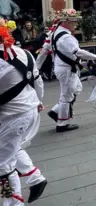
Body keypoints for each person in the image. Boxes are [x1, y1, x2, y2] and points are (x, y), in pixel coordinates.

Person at [0, 24, 49, 205]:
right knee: (11, 148)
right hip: (30, 110)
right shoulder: (24, 53)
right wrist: (38, 101)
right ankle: (35, 178)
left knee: (2, 165)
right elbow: (38, 83)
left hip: (12, 118)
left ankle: (13, 203)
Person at [47, 9, 96, 132]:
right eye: (74, 22)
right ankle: (62, 123)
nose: (76, 25)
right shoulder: (66, 37)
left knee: (75, 89)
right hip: (66, 68)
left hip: (64, 67)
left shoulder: (56, 32)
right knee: (66, 95)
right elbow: (77, 52)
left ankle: (56, 111)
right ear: (66, 22)